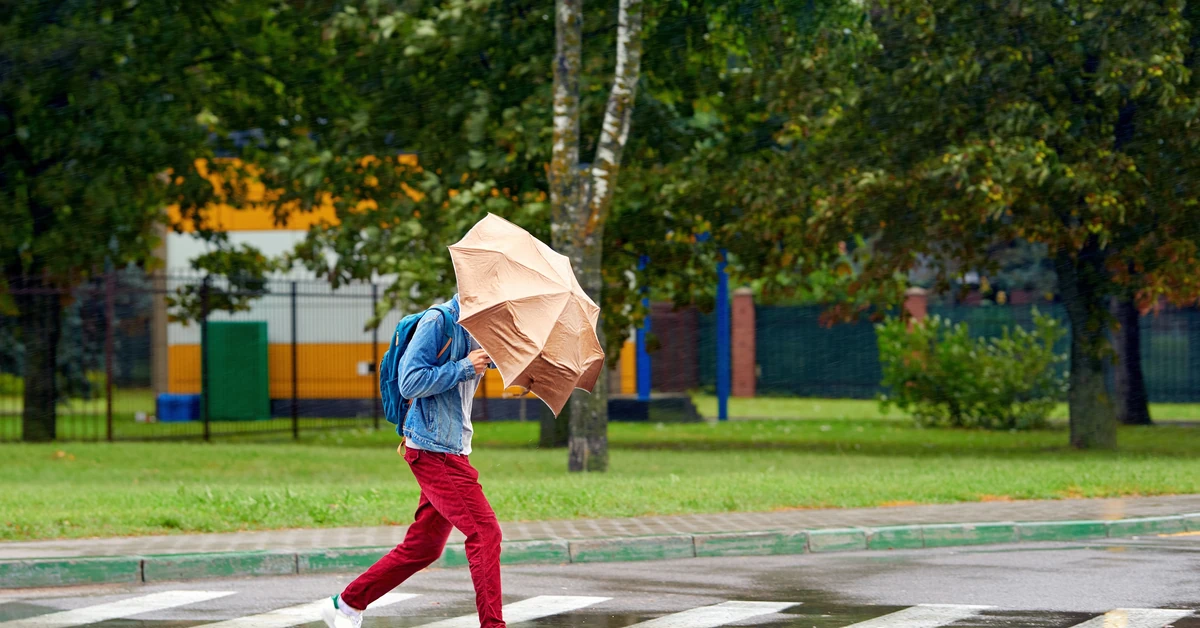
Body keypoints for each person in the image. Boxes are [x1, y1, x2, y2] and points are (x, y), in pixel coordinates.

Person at [322, 294, 504, 628]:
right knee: (485, 533)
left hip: (452, 447)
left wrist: (493, 363)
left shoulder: (477, 327)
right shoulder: (438, 322)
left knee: (424, 547)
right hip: (434, 451)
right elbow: (410, 382)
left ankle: (347, 603)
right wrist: (465, 367)